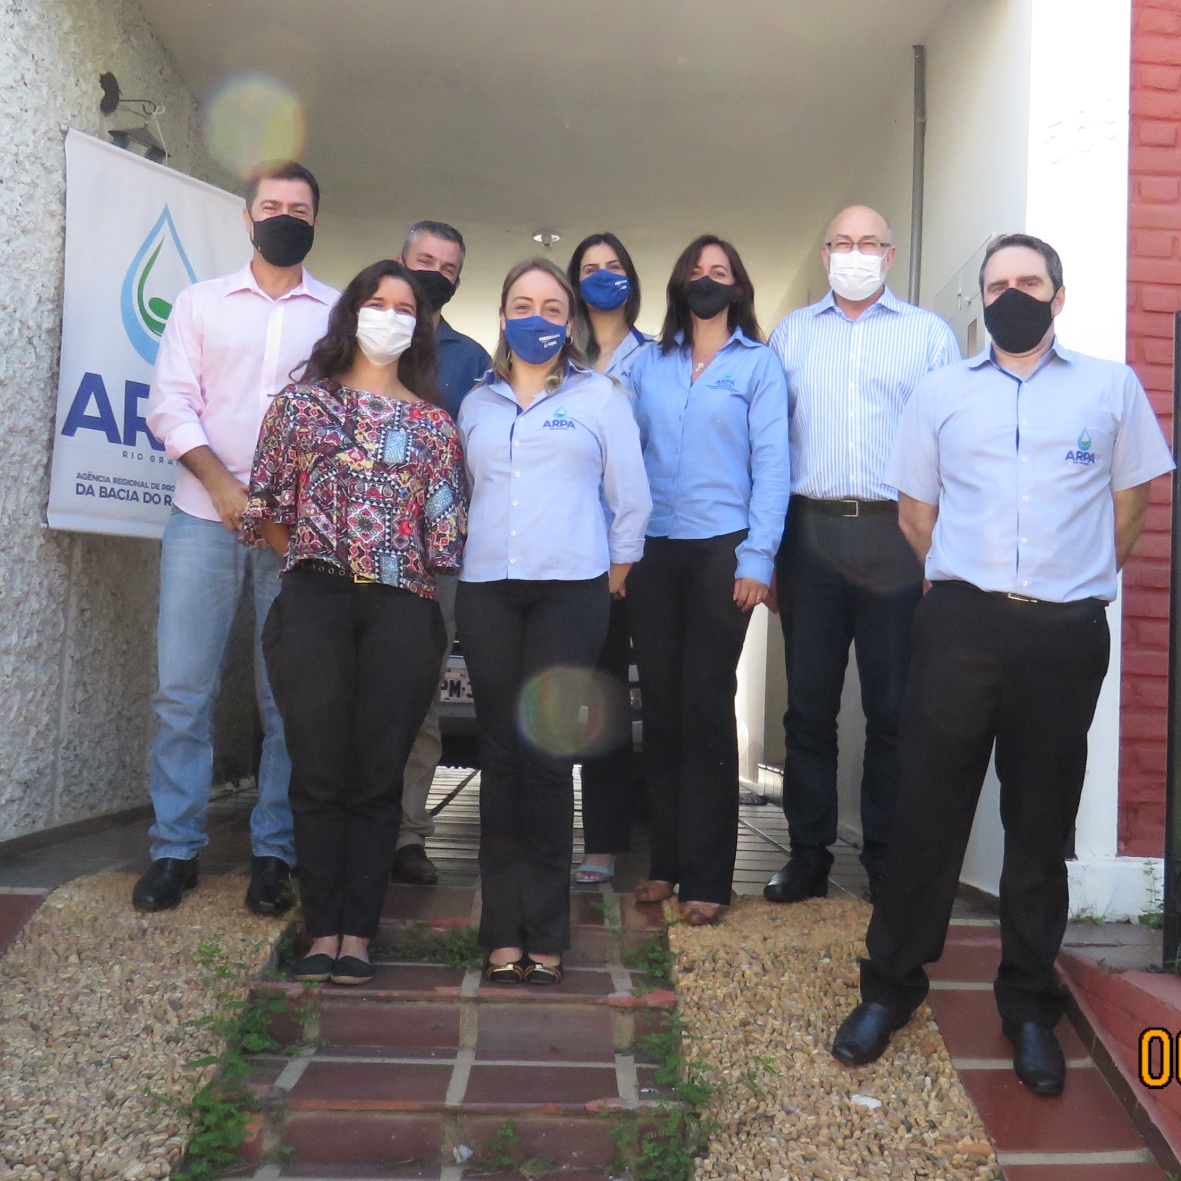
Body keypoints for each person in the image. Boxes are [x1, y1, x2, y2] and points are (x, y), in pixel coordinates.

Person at [831, 234, 1174, 1096]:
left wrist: (1067, 581)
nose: (1010, 294)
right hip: (958, 625)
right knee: (926, 810)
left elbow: (1129, 508)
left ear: (1058, 295)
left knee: (1038, 820)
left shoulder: (1110, 388)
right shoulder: (939, 392)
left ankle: (1027, 1004)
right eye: (996, 284)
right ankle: (888, 987)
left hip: (1063, 634)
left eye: (1028, 281)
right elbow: (916, 514)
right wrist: (975, 587)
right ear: (979, 299)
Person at [243, 260, 466, 985]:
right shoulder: (300, 407)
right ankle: (321, 930)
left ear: (419, 327)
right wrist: (315, 562)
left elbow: (444, 542)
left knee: (376, 775)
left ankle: (358, 934)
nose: (390, 317)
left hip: (402, 608)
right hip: (315, 600)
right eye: (378, 302)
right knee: (316, 770)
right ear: (351, 312)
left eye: (405, 308)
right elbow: (267, 509)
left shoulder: (434, 426)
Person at [138, 161, 337, 915]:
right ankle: (174, 848)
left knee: (286, 697)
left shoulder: (339, 314)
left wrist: (288, 504)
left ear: (315, 221)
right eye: (271, 205)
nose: (285, 216)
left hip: (293, 532)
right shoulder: (199, 304)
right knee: (182, 690)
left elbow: (345, 418)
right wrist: (224, 486)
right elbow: (170, 404)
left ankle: (274, 853)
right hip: (203, 515)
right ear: (248, 218)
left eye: (299, 208)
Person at [456, 258, 650, 984]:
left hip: (571, 592)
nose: (535, 317)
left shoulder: (600, 396)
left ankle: (545, 931)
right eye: (521, 304)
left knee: (545, 755)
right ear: (502, 315)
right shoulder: (476, 402)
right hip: (488, 591)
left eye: (550, 306)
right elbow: (462, 492)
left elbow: (630, 497)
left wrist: (613, 572)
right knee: (499, 754)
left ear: (568, 322)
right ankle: (500, 931)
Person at [764, 206, 960, 907]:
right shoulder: (790, 335)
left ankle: (885, 857)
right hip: (810, 535)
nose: (855, 253)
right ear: (824, 254)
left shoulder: (928, 336)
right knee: (808, 708)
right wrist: (768, 549)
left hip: (895, 535)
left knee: (894, 708)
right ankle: (806, 855)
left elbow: (951, 445)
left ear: (890, 254)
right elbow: (768, 444)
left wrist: (940, 551)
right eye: (843, 243)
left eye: (868, 243)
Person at [627, 235, 790, 926]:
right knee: (661, 707)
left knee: (705, 704)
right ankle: (664, 862)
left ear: (738, 287)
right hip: (652, 550)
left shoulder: (758, 364)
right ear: (677, 284)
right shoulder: (647, 363)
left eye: (719, 271)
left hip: (723, 550)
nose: (706, 279)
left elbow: (773, 464)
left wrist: (759, 558)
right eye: (696, 270)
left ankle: (708, 877)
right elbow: (622, 452)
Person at [387, 221, 491, 886]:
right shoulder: (357, 339)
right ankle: (347, 827)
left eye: (448, 268)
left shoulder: (471, 359)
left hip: (437, 557)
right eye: (424, 260)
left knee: (420, 696)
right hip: (358, 549)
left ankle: (406, 834)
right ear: (399, 260)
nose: (435, 274)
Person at [565, 232, 652, 885]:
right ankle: (559, 836)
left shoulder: (657, 358)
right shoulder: (553, 356)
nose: (601, 276)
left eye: (613, 266)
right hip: (568, 552)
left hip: (638, 552)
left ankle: (607, 843)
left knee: (618, 699)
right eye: (589, 268)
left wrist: (626, 557)